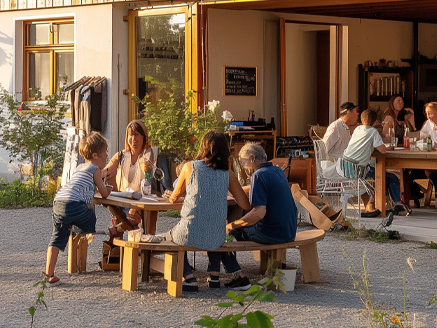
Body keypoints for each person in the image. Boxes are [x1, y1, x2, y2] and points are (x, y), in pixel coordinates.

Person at [165, 132, 251, 292]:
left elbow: (174, 198)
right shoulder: (228, 174)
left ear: (203, 147)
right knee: (213, 225)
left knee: (172, 235)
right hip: (216, 237)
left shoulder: (189, 167)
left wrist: (176, 195)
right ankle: (214, 275)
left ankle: (188, 277)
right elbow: (245, 205)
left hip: (188, 233)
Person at [212, 142, 299, 288]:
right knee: (240, 222)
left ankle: (235, 275)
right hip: (289, 231)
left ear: (252, 158)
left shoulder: (258, 175)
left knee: (225, 231)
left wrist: (232, 225)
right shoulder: (277, 171)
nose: (244, 169)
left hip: (271, 233)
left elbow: (259, 213)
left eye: (243, 163)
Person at [42, 132, 110, 286]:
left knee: (57, 238)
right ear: (95, 155)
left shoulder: (80, 167)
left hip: (59, 201)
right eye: (105, 152)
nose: (107, 156)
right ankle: (82, 229)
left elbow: (84, 185)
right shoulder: (95, 170)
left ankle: (49, 274)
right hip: (73, 204)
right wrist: (110, 187)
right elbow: (104, 194)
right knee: (90, 214)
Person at [340, 109, 404, 217]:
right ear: (375, 122)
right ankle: (396, 204)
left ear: (361, 119)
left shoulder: (357, 129)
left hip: (346, 166)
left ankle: (385, 205)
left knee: (384, 177)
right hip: (359, 170)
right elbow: (383, 150)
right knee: (390, 177)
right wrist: (391, 147)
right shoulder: (373, 132)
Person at [104, 120, 157, 236]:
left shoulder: (148, 154)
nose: (133, 139)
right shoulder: (121, 155)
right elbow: (107, 170)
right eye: (130, 135)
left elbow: (147, 165)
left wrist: (147, 157)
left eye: (137, 135)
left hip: (142, 202)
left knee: (133, 215)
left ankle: (118, 228)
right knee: (110, 205)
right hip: (123, 200)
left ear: (143, 137)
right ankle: (125, 229)